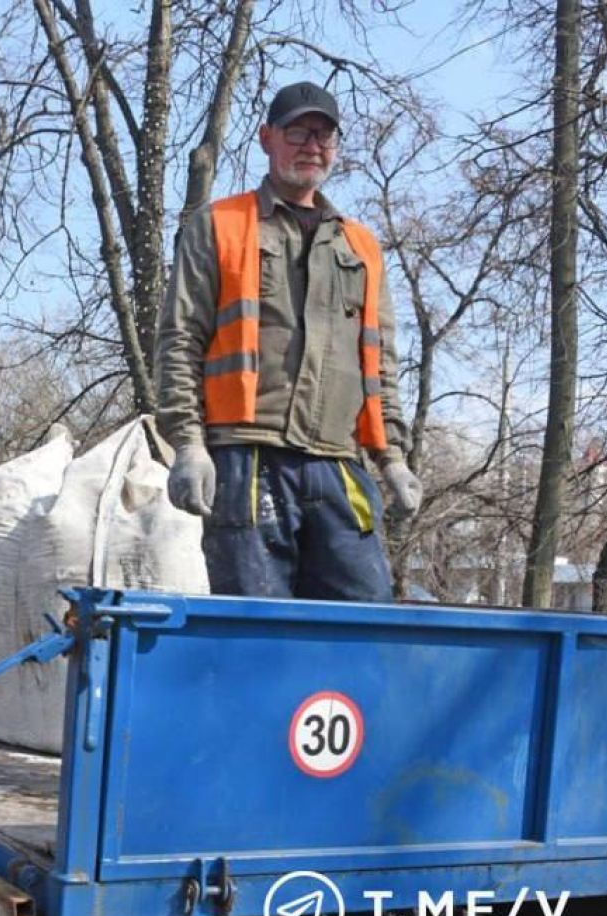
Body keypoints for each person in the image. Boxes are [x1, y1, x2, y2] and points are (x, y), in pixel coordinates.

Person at [155, 81, 422, 601]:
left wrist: (391, 457)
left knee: (366, 622)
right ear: (266, 138)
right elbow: (180, 339)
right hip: (246, 463)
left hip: (336, 465)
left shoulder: (360, 245)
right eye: (298, 132)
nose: (311, 146)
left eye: (323, 136)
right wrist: (188, 444)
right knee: (255, 630)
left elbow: (379, 362)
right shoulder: (220, 225)